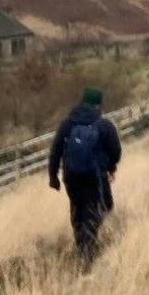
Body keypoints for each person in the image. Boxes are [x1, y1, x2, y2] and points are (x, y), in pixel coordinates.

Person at [47, 87, 121, 262]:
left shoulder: (67, 124)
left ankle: (82, 245)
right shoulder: (104, 125)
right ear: (98, 104)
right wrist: (111, 167)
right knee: (100, 207)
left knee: (78, 209)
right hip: (96, 176)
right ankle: (89, 247)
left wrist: (53, 177)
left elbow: (55, 150)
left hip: (71, 177)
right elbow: (116, 150)